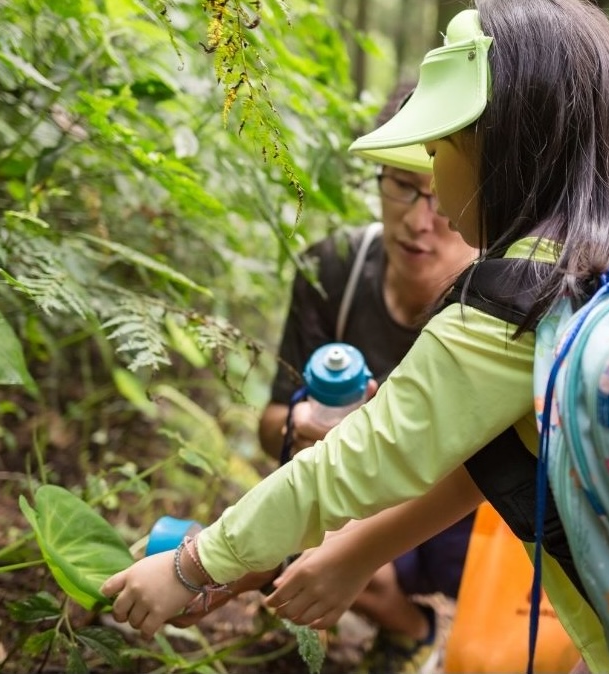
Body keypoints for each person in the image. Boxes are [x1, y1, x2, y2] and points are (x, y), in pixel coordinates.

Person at [100, 2, 609, 673]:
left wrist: (193, 567)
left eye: (437, 146)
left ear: (499, 146)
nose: (428, 181)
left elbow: (354, 463)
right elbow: (489, 450)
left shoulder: (523, 300)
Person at [172, 84, 480, 673]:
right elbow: (271, 426)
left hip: (465, 522)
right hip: (345, 496)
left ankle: (431, 627)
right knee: (308, 535)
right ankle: (408, 628)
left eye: (445, 200)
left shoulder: (497, 302)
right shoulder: (334, 268)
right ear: (379, 180)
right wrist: (303, 424)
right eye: (402, 186)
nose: (421, 221)